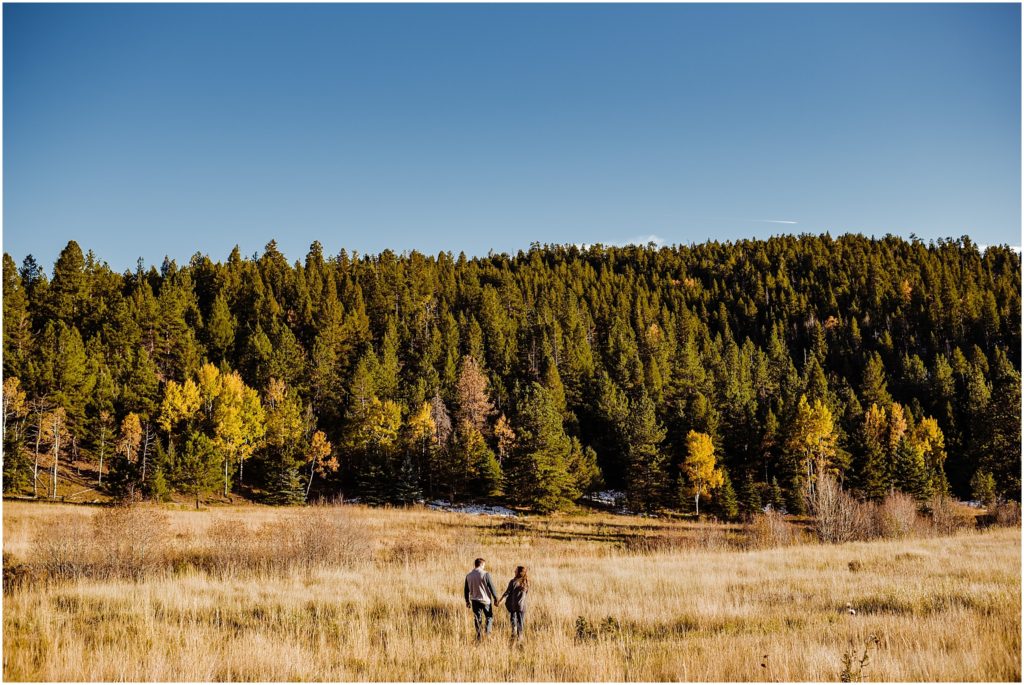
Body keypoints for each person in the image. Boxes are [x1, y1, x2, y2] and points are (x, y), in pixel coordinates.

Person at [464, 557, 500, 640]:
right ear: (482, 564)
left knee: (477, 618)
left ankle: (479, 635)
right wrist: (496, 598)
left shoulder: (468, 576)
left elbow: (466, 590)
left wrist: (467, 601)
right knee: (489, 617)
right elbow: (492, 587)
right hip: (485, 600)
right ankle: (487, 634)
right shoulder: (485, 574)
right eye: (484, 565)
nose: (484, 566)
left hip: (474, 600)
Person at [498, 566, 529, 641]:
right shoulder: (526, 582)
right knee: (520, 622)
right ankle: (520, 637)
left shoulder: (513, 581)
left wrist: (499, 601)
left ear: (519, 573)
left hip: (513, 605)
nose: (514, 571)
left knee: (513, 620)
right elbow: (526, 594)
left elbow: (507, 593)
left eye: (516, 570)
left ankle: (513, 635)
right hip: (522, 605)